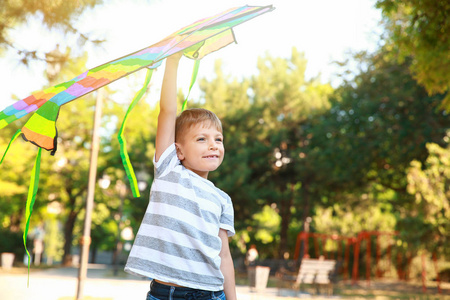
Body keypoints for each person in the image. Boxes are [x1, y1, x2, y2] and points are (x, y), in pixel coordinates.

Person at [124, 52, 236, 300]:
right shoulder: (169, 170)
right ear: (179, 150)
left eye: (218, 139)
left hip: (211, 294)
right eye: (201, 139)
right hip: (166, 294)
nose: (213, 145)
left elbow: (224, 256)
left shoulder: (222, 199)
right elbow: (167, 110)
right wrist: (173, 61)